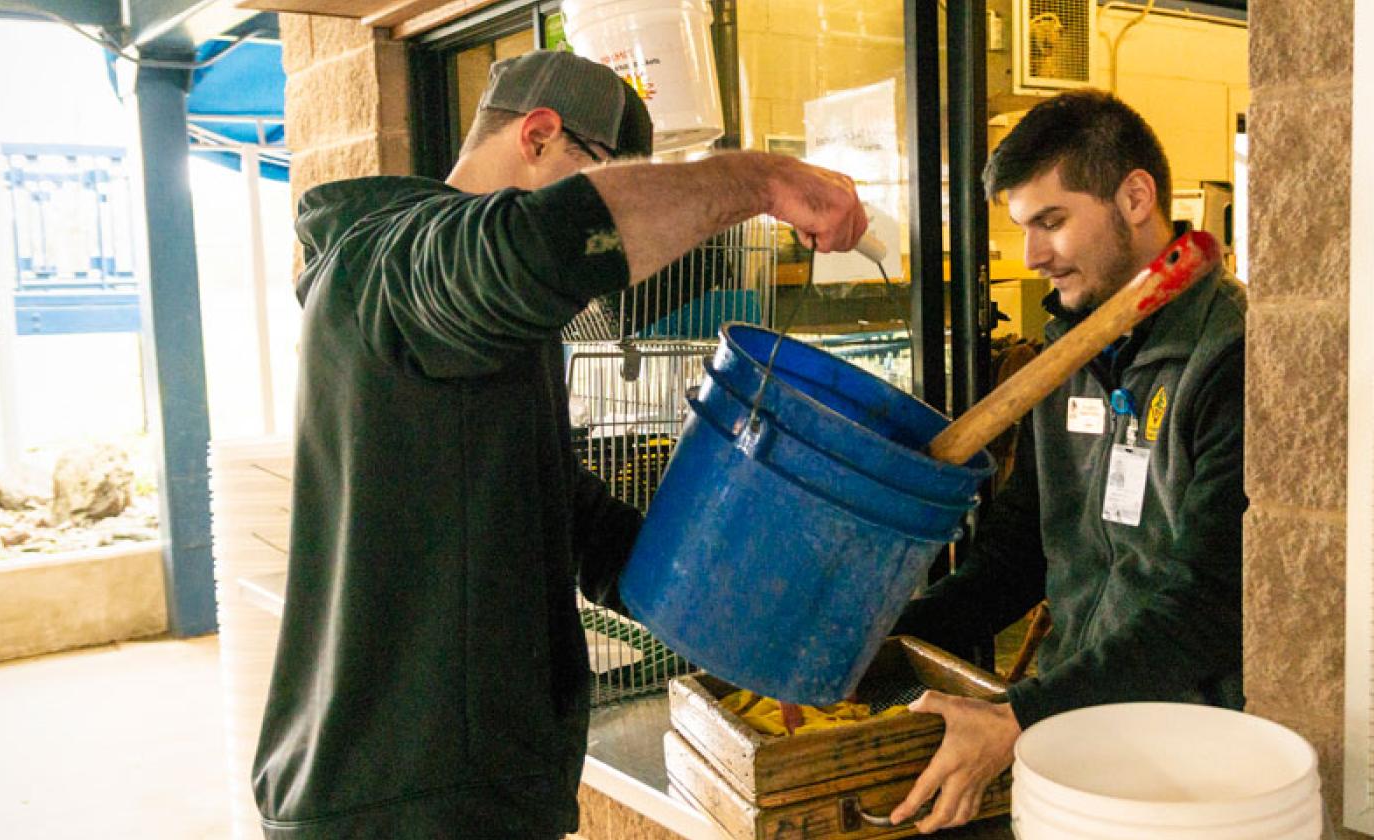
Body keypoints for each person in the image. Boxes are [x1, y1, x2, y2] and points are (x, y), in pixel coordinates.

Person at [252, 50, 867, 839]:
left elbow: (554, 500)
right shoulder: (397, 258)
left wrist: (730, 607)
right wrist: (762, 182)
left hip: (460, 792)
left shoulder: (478, 321)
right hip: (401, 799)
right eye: (605, 178)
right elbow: (543, 243)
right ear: (539, 136)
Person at [885, 89, 1249, 832]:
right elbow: (1020, 552)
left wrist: (1020, 714)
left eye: (1051, 222)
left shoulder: (1232, 357)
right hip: (1075, 738)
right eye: (1023, 228)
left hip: (1193, 755)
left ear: (1136, 197)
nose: (1031, 256)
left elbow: (1210, 605)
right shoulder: (1064, 359)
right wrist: (896, 641)